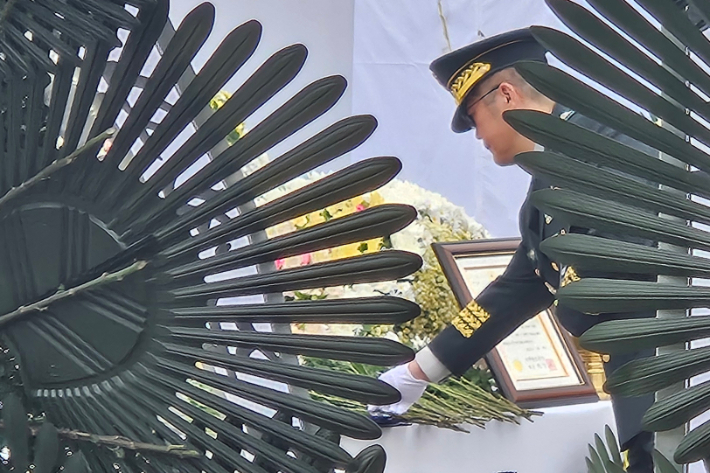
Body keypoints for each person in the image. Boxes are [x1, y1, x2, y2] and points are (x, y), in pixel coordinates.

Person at [369, 28, 656, 472]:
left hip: (676, 382)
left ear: (505, 95)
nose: (476, 134)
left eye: (474, 116)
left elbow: (640, 266)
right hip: (641, 385)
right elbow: (520, 285)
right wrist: (417, 373)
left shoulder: (611, 145)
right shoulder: (553, 169)